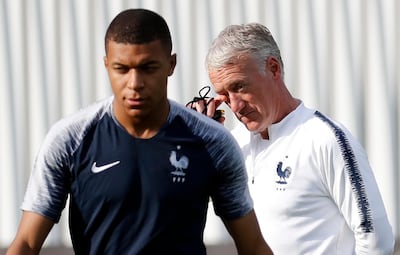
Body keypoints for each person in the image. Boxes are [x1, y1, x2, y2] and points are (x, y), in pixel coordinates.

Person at [6, 9, 273, 255]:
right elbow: (27, 243)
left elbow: (253, 246)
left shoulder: (212, 141)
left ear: (171, 65)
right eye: (121, 69)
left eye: (148, 68)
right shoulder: (70, 139)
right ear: (107, 64)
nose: (134, 83)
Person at [191, 23, 394, 254]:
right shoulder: (233, 146)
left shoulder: (325, 139)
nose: (235, 106)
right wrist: (202, 151)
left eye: (240, 86)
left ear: (274, 69)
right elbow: (184, 215)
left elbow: (377, 241)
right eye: (225, 95)